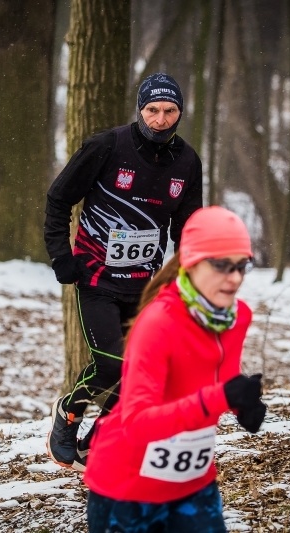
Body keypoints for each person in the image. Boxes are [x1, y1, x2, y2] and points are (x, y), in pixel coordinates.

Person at [44, 72, 204, 471]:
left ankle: (99, 442)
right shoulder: (107, 145)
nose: (160, 119)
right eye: (153, 110)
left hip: (143, 284)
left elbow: (189, 227)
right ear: (140, 109)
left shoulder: (187, 161)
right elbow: (59, 198)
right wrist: (62, 258)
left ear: (180, 113)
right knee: (115, 365)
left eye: (169, 111)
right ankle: (67, 415)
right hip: (96, 278)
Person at [83, 206, 266, 532]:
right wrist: (218, 398)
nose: (235, 277)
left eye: (241, 266)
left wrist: (241, 405)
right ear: (191, 263)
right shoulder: (159, 323)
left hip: (192, 483)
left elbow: (219, 379)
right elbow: (137, 424)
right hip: (126, 488)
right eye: (222, 265)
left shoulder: (237, 318)